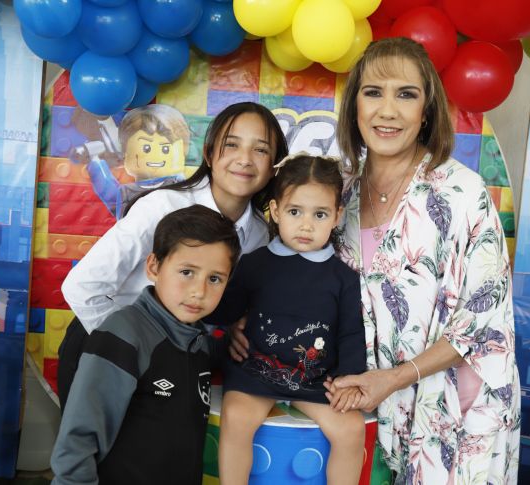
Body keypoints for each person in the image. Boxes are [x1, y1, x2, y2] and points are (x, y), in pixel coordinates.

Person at [326, 37, 521, 484]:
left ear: (427, 110)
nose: (388, 110)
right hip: (374, 410)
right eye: (373, 92)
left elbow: (482, 315)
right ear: (354, 106)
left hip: (458, 411)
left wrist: (397, 376)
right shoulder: (340, 194)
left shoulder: (462, 191)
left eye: (406, 94)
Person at [57, 101, 289, 411]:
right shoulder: (162, 206)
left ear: (274, 163)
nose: (244, 159)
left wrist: (235, 327)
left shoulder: (260, 235)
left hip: (176, 361)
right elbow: (81, 286)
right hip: (103, 347)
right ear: (208, 153)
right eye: (231, 144)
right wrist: (129, 348)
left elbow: (220, 298)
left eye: (260, 150)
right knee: (92, 456)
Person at [206, 153, 367, 485]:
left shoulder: (344, 278)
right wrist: (225, 318)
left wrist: (347, 380)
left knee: (351, 429)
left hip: (313, 381)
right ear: (276, 211)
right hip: (255, 376)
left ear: (337, 216)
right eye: (295, 212)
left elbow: (351, 333)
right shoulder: (254, 264)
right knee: (236, 417)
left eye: (319, 214)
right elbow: (225, 313)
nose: (306, 225)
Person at [50, 205, 240, 484]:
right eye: (187, 272)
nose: (199, 291)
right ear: (154, 266)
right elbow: (77, 443)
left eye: (214, 279)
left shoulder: (198, 342)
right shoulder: (122, 335)